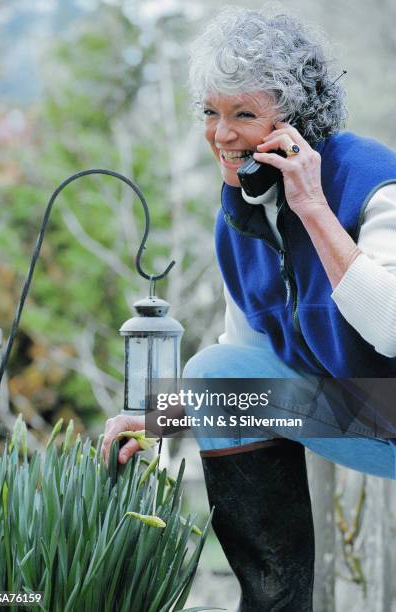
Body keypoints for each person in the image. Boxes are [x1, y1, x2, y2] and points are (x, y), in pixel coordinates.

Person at [102, 7, 396, 611]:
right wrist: (159, 418)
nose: (222, 134)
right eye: (212, 112)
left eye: (244, 115)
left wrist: (313, 207)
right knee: (213, 366)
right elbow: (248, 356)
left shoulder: (374, 183)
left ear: (297, 125)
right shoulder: (239, 213)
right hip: (361, 419)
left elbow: (391, 330)